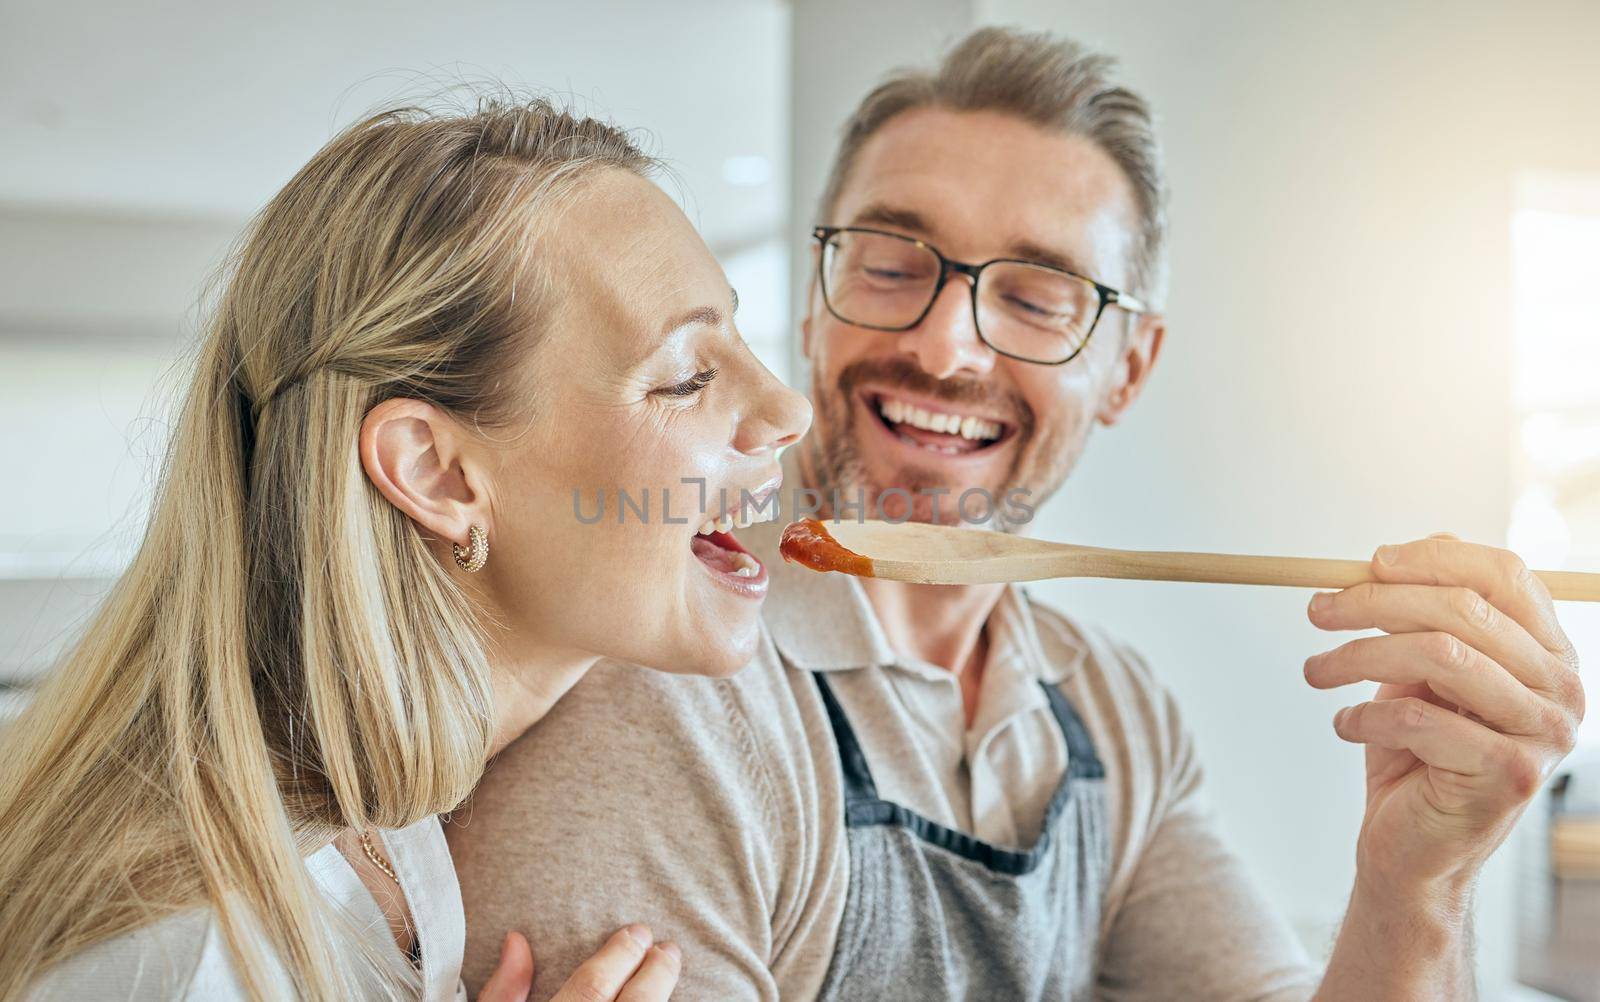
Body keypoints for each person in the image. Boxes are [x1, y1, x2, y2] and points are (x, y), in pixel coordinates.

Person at [449, 27, 1586, 1001]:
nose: (945, 346)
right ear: (814, 301)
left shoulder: (1114, 708)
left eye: (1038, 297)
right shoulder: (654, 679)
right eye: (893, 265)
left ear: (1128, 368)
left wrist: (1419, 881)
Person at [0, 95, 810, 1001]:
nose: (790, 411)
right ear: (437, 475)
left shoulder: (391, 836)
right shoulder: (187, 961)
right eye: (686, 377)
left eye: (738, 337)